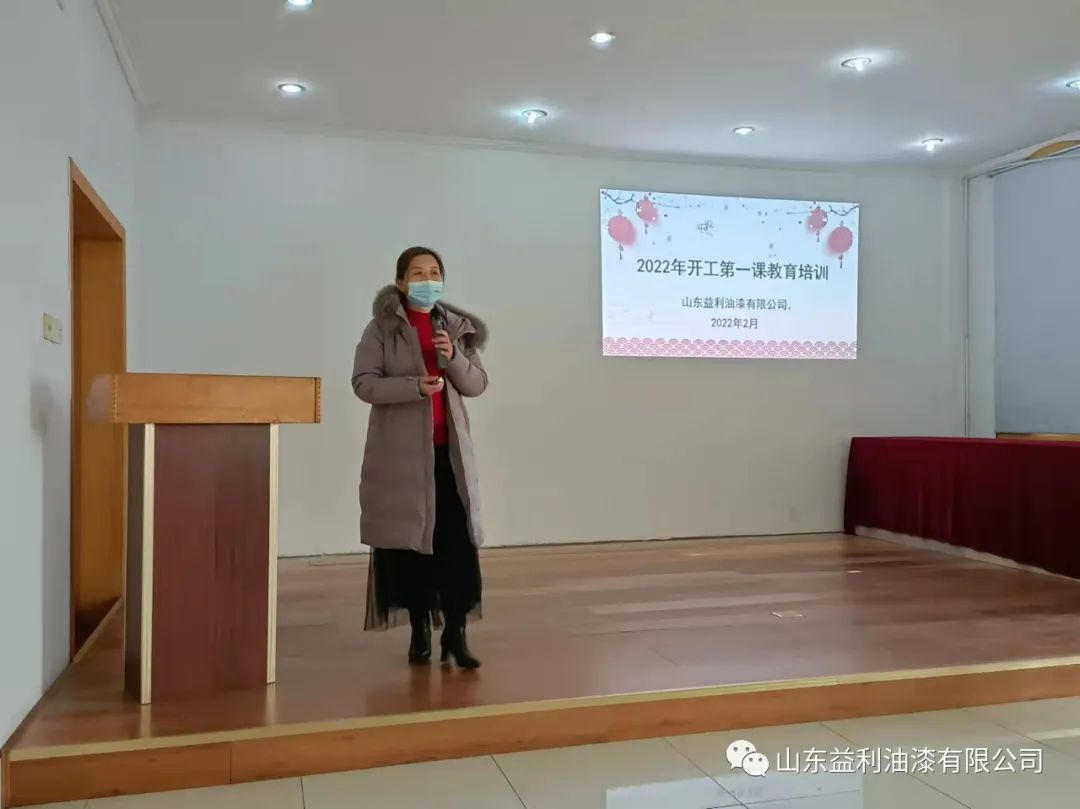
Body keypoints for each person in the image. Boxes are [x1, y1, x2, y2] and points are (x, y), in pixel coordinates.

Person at [351, 246, 488, 669]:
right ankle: (419, 633)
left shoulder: (456, 327)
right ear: (401, 282)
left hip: (450, 459)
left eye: (434, 272)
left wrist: (454, 359)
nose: (427, 280)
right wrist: (414, 387)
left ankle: (456, 634)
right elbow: (363, 384)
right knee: (413, 549)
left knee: (456, 547)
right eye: (417, 273)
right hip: (403, 461)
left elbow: (477, 384)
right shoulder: (382, 329)